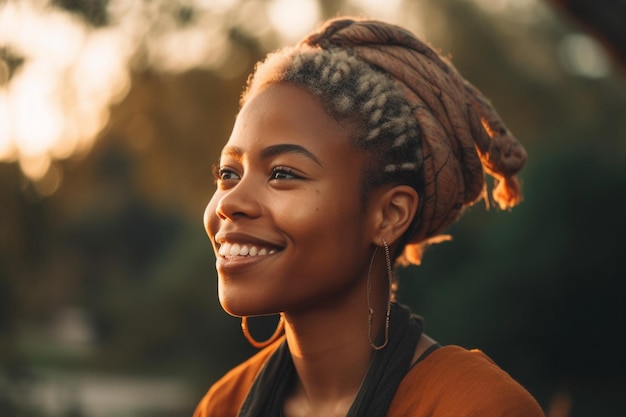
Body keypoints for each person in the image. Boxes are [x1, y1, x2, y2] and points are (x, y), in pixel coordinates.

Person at [195, 17, 544, 417]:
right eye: (228, 174)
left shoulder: (474, 407)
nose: (229, 202)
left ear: (389, 215)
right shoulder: (224, 404)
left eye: (283, 174)